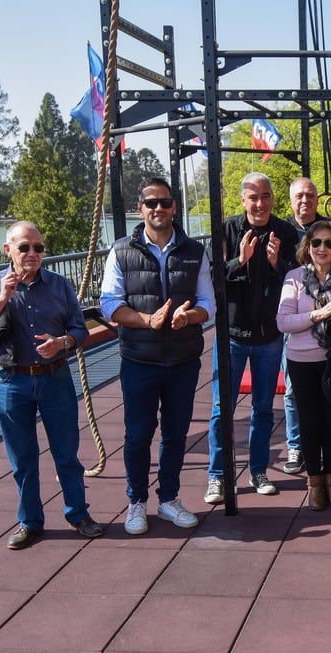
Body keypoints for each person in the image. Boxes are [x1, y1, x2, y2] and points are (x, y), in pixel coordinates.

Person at [0, 221, 103, 549]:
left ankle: (78, 513)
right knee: (23, 459)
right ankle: (30, 522)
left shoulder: (59, 285)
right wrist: (3, 298)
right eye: (24, 247)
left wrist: (63, 343)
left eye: (38, 248)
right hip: (11, 380)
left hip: (55, 377)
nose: (32, 254)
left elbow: (80, 329)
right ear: (8, 250)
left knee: (66, 453)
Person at [100, 177, 215, 536]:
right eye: (151, 203)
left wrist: (189, 317)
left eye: (164, 202)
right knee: (138, 435)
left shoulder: (194, 251)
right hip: (140, 360)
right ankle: (136, 500)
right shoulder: (121, 251)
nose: (158, 209)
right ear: (141, 208)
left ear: (174, 207)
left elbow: (208, 302)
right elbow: (109, 304)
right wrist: (146, 320)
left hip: (182, 360)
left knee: (176, 434)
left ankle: (168, 498)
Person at [206, 172, 298, 504]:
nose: (260, 203)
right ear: (243, 200)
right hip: (231, 335)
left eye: (265, 196)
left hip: (269, 337)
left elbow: (298, 280)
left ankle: (258, 470)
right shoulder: (227, 230)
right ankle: (218, 474)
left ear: (273, 198)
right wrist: (239, 261)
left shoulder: (286, 232)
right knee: (222, 408)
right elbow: (210, 278)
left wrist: (277, 263)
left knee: (263, 409)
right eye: (253, 197)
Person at [276, 220, 331, 510]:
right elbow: (283, 322)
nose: (322, 248)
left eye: (329, 243)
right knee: (310, 422)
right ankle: (314, 482)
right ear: (308, 246)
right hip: (302, 361)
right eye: (316, 242)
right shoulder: (294, 278)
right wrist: (319, 314)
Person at [282, 176, 331, 476]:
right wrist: (318, 312)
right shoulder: (283, 232)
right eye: (299, 196)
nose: (305, 200)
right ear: (291, 200)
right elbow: (283, 302)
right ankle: (297, 447)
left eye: (310, 195)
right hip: (300, 332)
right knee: (295, 395)